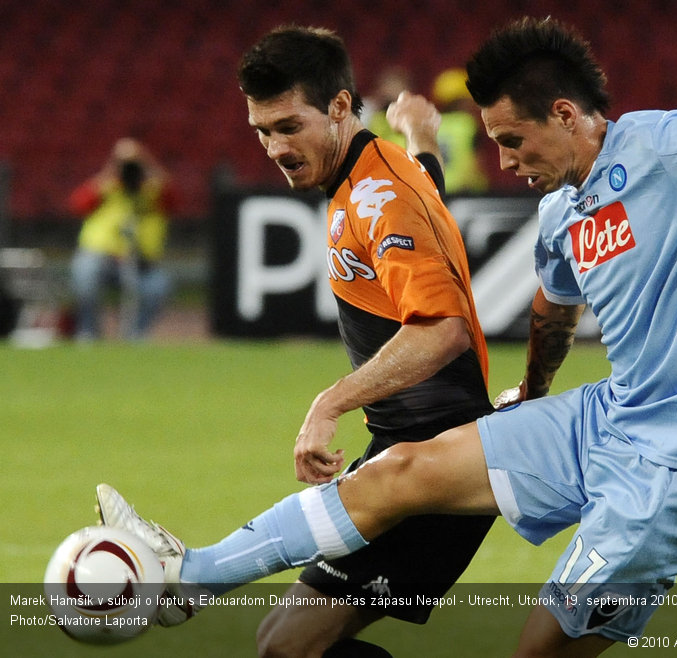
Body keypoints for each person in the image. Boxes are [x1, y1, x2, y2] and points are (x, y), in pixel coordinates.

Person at [96, 16, 677, 657]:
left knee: (541, 648)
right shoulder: (559, 212)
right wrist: (536, 393)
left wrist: (331, 400)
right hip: (609, 419)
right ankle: (185, 576)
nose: (505, 162)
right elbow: (554, 312)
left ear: (565, 114)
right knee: (396, 473)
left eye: (513, 141)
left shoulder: (668, 151)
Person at [103, 25, 494, 657]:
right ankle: (183, 577)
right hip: (405, 444)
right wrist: (421, 132)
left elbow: (443, 328)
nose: (274, 148)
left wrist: (330, 401)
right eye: (262, 130)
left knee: (289, 648)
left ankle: (183, 575)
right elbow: (427, 182)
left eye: (289, 126)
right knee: (287, 644)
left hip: (434, 466)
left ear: (340, 106)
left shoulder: (377, 195)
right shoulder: (379, 171)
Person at [68, 138, 174, 340]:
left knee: (158, 287)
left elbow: (173, 197)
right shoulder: (107, 186)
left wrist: (144, 160)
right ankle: (89, 333)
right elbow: (78, 203)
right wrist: (113, 167)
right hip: (102, 257)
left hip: (142, 262)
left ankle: (135, 336)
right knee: (85, 274)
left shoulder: (153, 190)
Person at [430, 67, 489, 194]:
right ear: (459, 101)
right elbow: (478, 163)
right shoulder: (466, 123)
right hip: (465, 190)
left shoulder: (428, 124)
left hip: (435, 189)